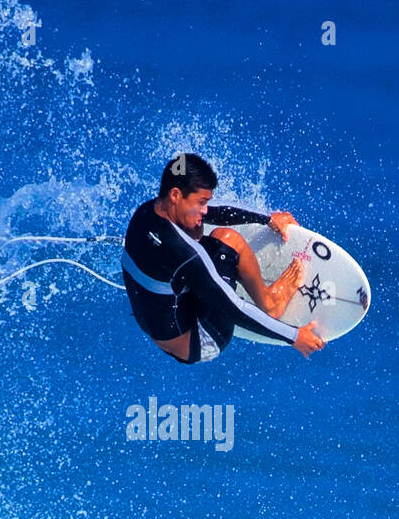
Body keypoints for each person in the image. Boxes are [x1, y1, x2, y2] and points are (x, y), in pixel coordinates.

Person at [121, 153, 326, 364]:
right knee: (227, 239)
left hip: (163, 327)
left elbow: (217, 211)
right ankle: (270, 303)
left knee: (200, 232)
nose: (205, 210)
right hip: (200, 342)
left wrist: (267, 218)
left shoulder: (145, 213)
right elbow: (233, 307)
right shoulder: (185, 253)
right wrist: (294, 337)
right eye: (201, 202)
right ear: (175, 195)